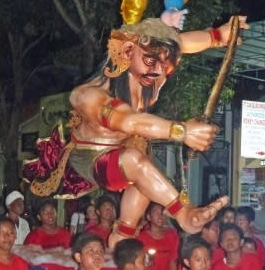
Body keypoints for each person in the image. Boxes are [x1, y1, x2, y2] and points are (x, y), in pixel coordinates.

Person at [24, 17, 248, 249]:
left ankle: (123, 235)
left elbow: (182, 42)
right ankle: (183, 215)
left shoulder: (152, 67)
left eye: (166, 65)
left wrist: (219, 36)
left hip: (125, 150)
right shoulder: (89, 96)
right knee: (134, 158)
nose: (159, 71)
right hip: (91, 156)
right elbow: (129, 121)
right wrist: (183, 131)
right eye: (151, 61)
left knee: (140, 161)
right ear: (128, 51)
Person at [138, 201, 180, 270]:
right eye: (156, 212)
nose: (160, 215)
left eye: (162, 212)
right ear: (148, 217)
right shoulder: (141, 238)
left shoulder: (172, 236)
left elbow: (172, 261)